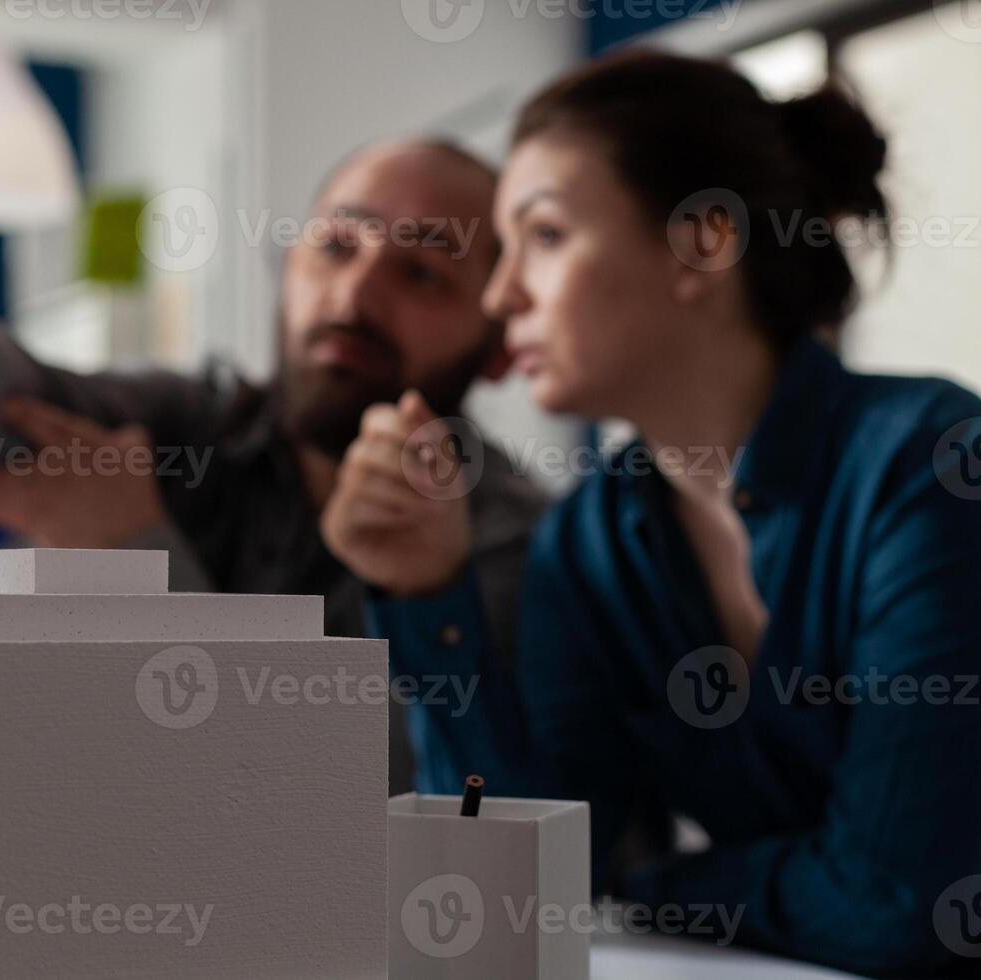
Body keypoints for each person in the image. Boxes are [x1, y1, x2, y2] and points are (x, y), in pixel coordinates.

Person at [0, 139, 548, 793]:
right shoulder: (191, 424)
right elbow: (4, 411)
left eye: (423, 274)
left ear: (502, 340)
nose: (354, 297)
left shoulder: (514, 544)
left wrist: (126, 552)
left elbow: (361, 798)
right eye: (337, 248)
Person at [356, 51, 981, 976]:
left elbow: (897, 906)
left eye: (547, 236)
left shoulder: (930, 466)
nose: (500, 297)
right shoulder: (588, 544)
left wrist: (656, 892)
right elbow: (518, 892)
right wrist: (427, 592)